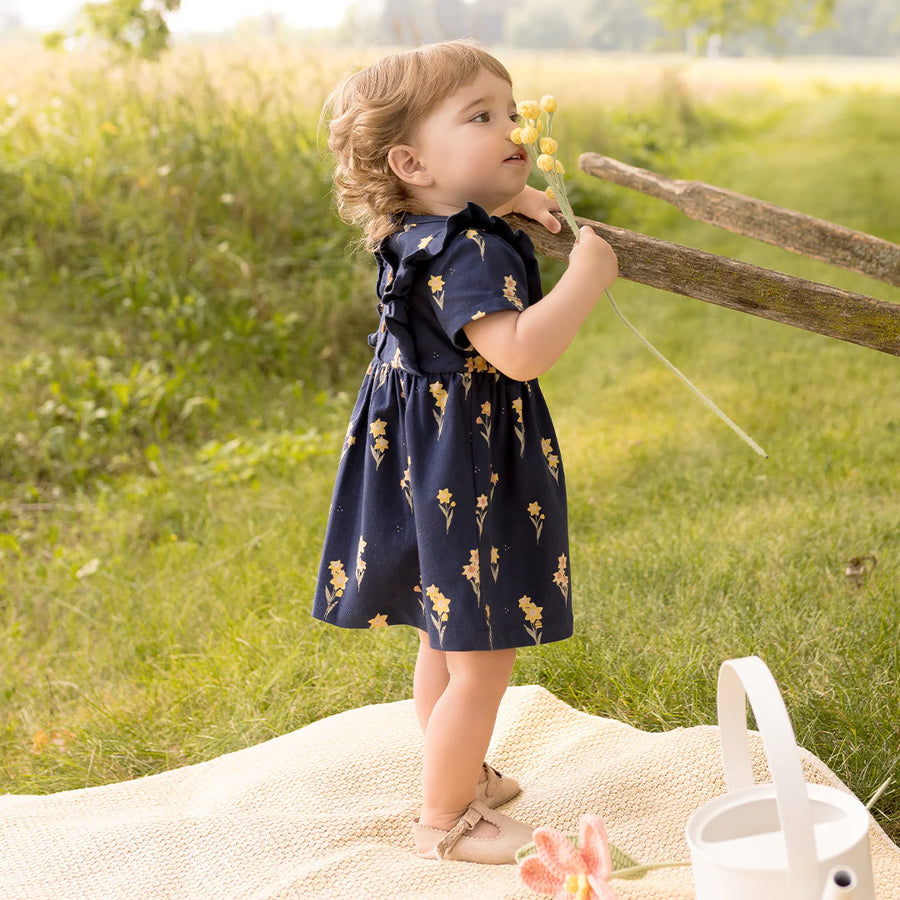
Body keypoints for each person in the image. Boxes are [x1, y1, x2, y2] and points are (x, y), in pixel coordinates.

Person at [313, 40, 618, 864]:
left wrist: (512, 210)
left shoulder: (420, 229)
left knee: (444, 639)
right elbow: (517, 351)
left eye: (510, 111)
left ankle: (462, 776)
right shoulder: (472, 250)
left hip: (423, 456)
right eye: (480, 116)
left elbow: (458, 249)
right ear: (412, 160)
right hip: (470, 471)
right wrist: (588, 275)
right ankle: (447, 820)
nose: (512, 128)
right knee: (482, 657)